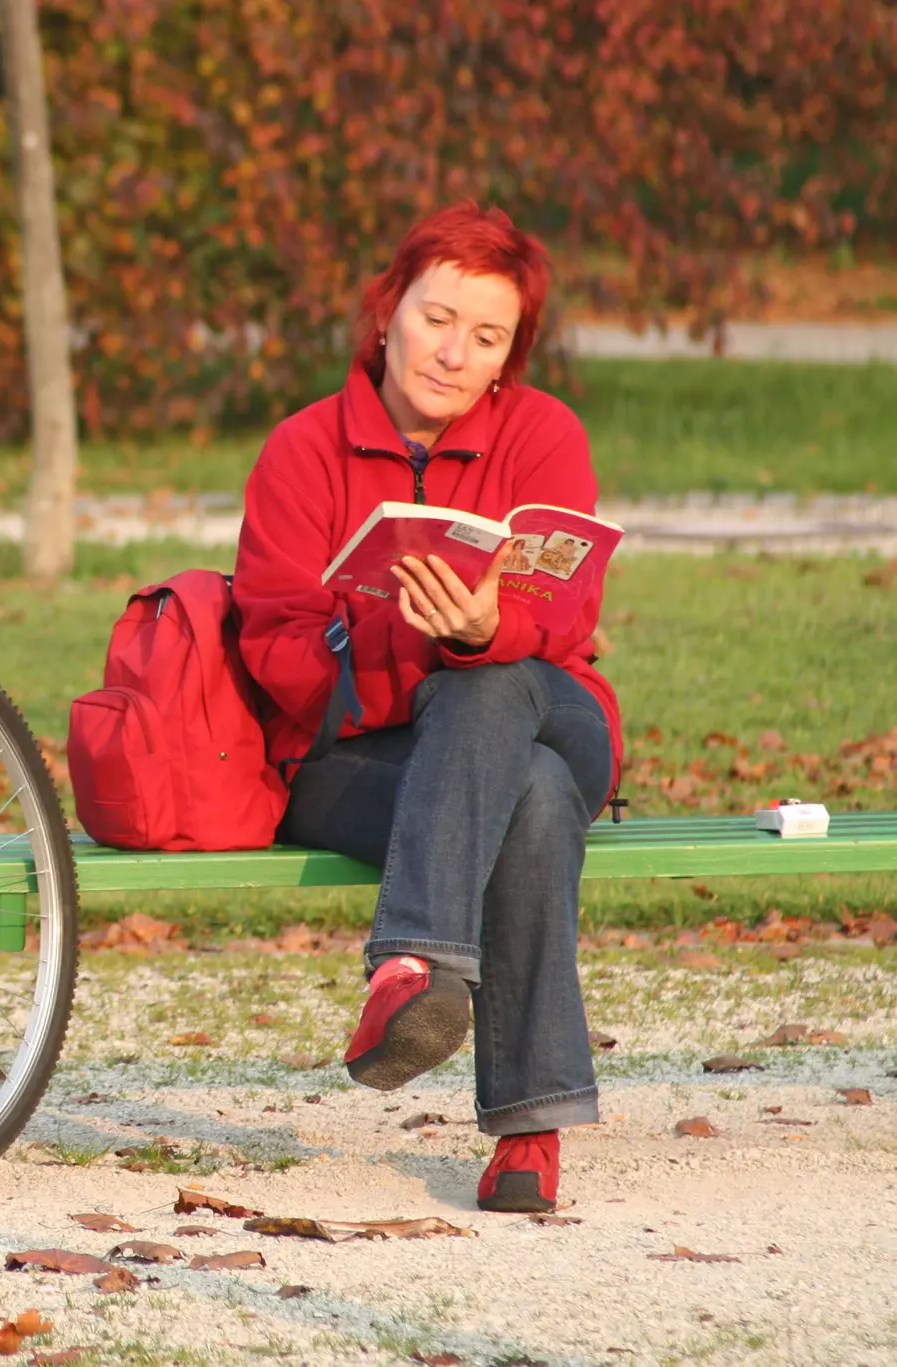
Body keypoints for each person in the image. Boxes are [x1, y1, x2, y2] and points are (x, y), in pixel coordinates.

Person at [231, 202, 622, 1214]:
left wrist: (480, 629)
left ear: (509, 357)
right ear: (385, 312)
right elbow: (275, 640)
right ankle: (531, 1130)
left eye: (485, 337)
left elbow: (568, 607)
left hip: (550, 711)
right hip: (354, 757)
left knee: (491, 686)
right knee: (524, 796)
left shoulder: (543, 433)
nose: (453, 352)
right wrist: (411, 642)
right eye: (436, 317)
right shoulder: (300, 449)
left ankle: (412, 960)